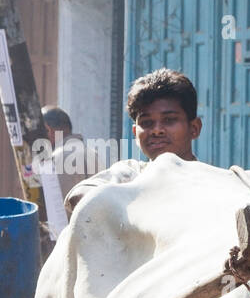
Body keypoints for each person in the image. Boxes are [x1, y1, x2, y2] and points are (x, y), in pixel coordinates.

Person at [65, 69, 202, 215]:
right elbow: (79, 196)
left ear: (194, 128)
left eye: (169, 120)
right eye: (147, 122)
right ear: (136, 133)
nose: (157, 130)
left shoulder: (214, 182)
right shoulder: (129, 174)